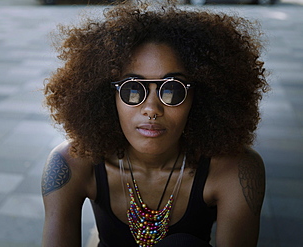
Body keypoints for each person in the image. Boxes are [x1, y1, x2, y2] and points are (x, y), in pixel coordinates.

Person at [41, 2, 269, 247]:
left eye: (172, 89)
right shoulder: (72, 163)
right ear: (109, 97)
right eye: (132, 89)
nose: (151, 109)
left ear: (201, 97)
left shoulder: (233, 170)